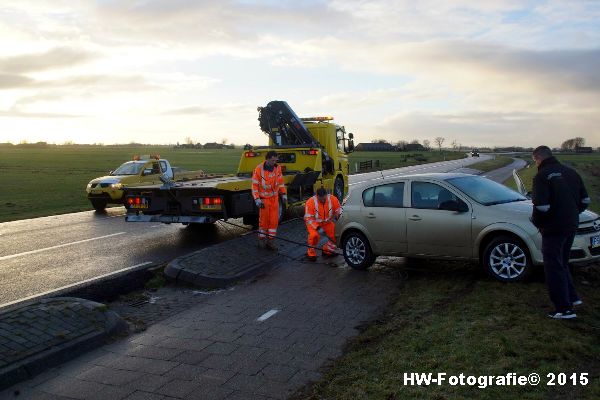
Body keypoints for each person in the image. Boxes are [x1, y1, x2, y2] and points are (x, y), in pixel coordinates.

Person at [531, 145, 590, 319]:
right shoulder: (571, 172)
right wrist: (570, 214)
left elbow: (541, 206)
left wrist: (538, 223)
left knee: (553, 267)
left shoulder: (541, 176)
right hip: (571, 225)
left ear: (538, 158)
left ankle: (564, 309)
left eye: (535, 161)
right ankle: (572, 297)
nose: (535, 164)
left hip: (553, 228)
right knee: (562, 262)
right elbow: (585, 200)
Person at [252, 151, 287, 250]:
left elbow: (280, 183)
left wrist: (283, 194)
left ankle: (270, 242)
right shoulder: (259, 169)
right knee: (264, 222)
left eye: (276, 160)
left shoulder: (277, 168)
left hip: (274, 199)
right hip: (264, 200)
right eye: (272, 160)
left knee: (274, 222)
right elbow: (254, 186)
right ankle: (261, 241)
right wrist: (257, 199)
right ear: (267, 159)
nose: (274, 162)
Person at [304, 187, 342, 261]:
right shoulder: (310, 202)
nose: (322, 201)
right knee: (314, 236)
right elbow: (308, 218)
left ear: (326, 195)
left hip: (327, 223)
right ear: (316, 196)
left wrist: (339, 218)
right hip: (314, 223)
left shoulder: (333, 199)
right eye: (320, 199)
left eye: (324, 199)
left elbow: (339, 210)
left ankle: (327, 251)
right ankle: (311, 253)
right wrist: (317, 228)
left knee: (335, 236)